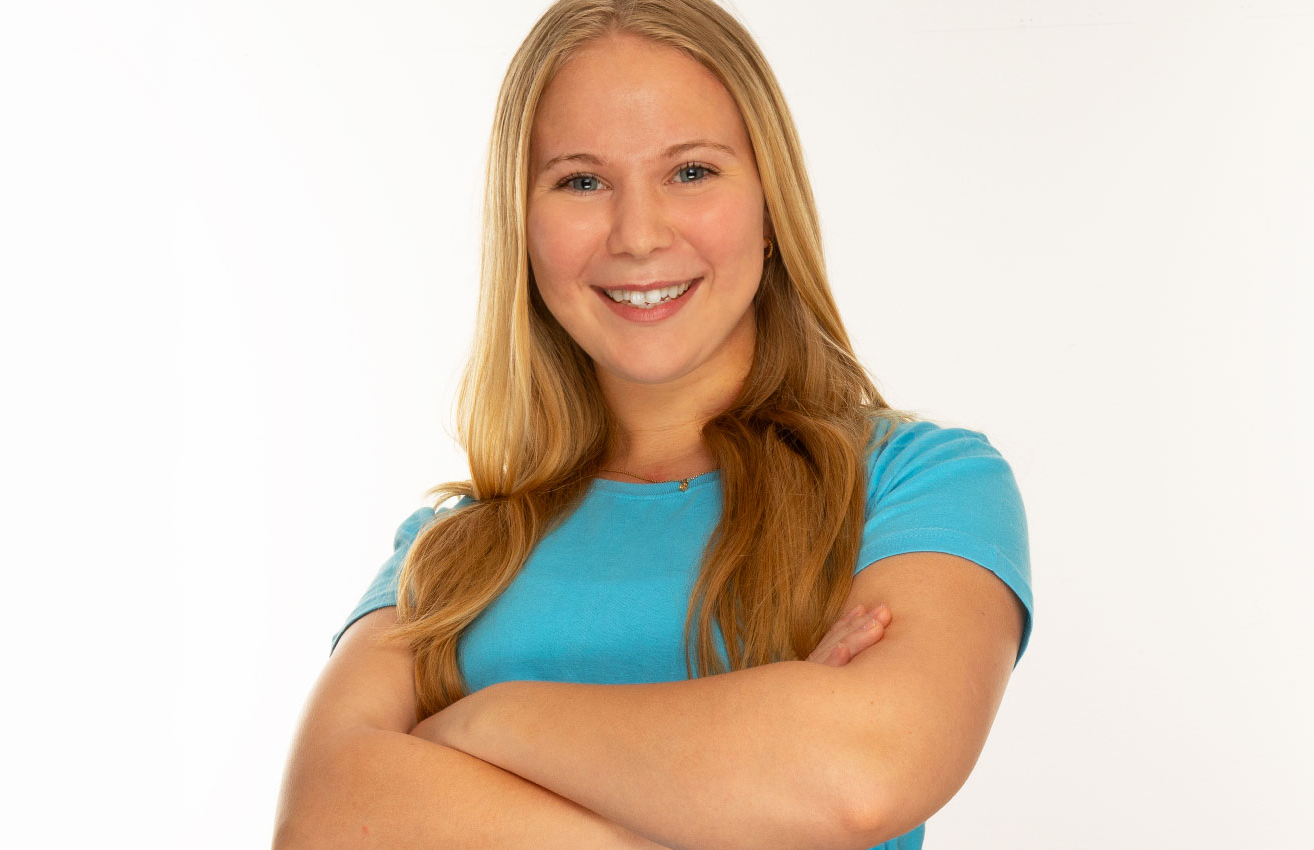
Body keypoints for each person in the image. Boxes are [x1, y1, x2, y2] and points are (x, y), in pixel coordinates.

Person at [273, 2, 1033, 848]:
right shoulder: (446, 560)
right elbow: (324, 822)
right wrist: (751, 789)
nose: (638, 234)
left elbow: (861, 777)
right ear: (521, 227)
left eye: (692, 172)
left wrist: (485, 723)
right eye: (581, 181)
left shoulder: (918, 484)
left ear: (771, 203)